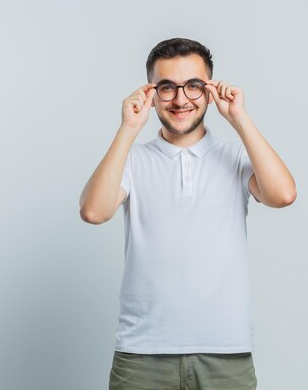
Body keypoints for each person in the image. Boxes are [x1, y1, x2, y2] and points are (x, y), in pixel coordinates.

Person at [79, 37, 296, 390]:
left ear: (209, 90)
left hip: (226, 352)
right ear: (150, 93)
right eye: (167, 88)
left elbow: (283, 195)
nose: (181, 100)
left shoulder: (236, 156)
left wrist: (240, 119)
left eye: (193, 86)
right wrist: (128, 129)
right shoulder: (133, 160)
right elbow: (93, 211)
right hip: (142, 353)